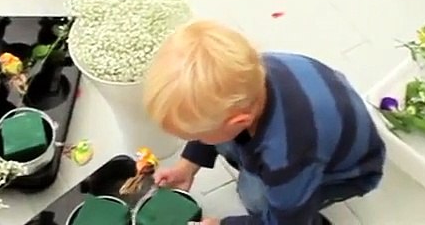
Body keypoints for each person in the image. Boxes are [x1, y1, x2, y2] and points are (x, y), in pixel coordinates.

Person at [143, 20, 384, 225]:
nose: (195, 140)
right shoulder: (245, 75)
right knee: (219, 135)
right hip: (324, 115)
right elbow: (211, 119)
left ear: (239, 121)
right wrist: (187, 166)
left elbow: (286, 220)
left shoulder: (287, 154)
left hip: (349, 171)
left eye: (196, 136)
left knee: (254, 197)